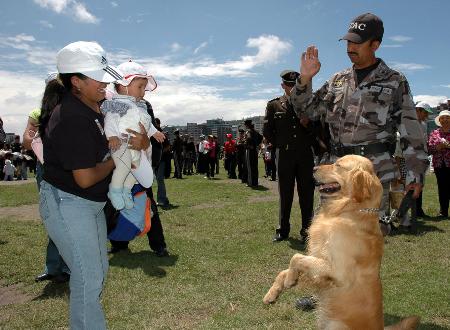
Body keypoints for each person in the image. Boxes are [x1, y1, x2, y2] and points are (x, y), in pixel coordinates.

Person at [289, 12, 428, 311]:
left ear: (375, 44)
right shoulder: (338, 79)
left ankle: (361, 297)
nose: (350, 48)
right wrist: (305, 79)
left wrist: (417, 175)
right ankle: (323, 293)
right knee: (328, 234)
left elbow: (410, 130)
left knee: (366, 240)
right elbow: (308, 111)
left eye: (358, 43)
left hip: (372, 172)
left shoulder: (394, 81)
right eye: (348, 41)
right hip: (337, 172)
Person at [38, 41, 127, 329]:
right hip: (70, 203)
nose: (105, 84)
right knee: (89, 276)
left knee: (96, 272)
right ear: (76, 81)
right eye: (97, 77)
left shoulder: (91, 109)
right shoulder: (72, 117)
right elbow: (86, 177)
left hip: (87, 204)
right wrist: (118, 156)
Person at [22, 73, 70, 283]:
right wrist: (33, 136)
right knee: (53, 218)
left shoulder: (72, 110)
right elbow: (26, 141)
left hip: (68, 169)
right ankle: (53, 267)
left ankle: (67, 267)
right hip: (46, 170)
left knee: (68, 219)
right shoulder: (37, 112)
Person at [101, 60, 165, 210]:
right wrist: (112, 136)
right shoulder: (116, 104)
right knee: (123, 169)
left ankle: (125, 191)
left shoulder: (141, 107)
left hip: (136, 150)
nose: (143, 92)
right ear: (124, 85)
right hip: (121, 145)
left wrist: (154, 133)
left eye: (144, 87)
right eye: (140, 87)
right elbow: (110, 120)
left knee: (133, 173)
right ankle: (115, 189)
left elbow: (145, 124)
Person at [263, 70, 315, 243]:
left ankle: (307, 231)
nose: (291, 88)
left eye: (295, 85)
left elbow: (319, 129)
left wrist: (308, 124)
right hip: (284, 154)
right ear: (283, 85)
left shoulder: (309, 103)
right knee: (285, 193)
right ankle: (282, 229)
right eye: (289, 85)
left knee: (306, 194)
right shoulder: (274, 105)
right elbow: (267, 130)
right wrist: (280, 144)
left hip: (305, 154)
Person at [428, 110, 450, 218]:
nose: (445, 120)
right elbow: (430, 149)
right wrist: (438, 147)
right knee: (442, 188)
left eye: (447, 117)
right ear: (439, 120)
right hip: (439, 165)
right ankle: (443, 212)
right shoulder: (434, 133)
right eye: (443, 118)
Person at [414, 102, 433, 217]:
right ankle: (410, 212)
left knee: (420, 184)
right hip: (412, 158)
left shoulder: (424, 124)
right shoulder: (409, 123)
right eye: (425, 112)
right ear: (418, 110)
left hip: (422, 157)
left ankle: (418, 210)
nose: (426, 115)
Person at [244, 119, 261, 187]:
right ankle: (255, 182)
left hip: (250, 151)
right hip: (255, 151)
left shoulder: (248, 132)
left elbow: (248, 139)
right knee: (255, 166)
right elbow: (261, 137)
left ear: (247, 125)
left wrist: (248, 145)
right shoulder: (256, 131)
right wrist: (256, 145)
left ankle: (251, 182)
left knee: (250, 167)